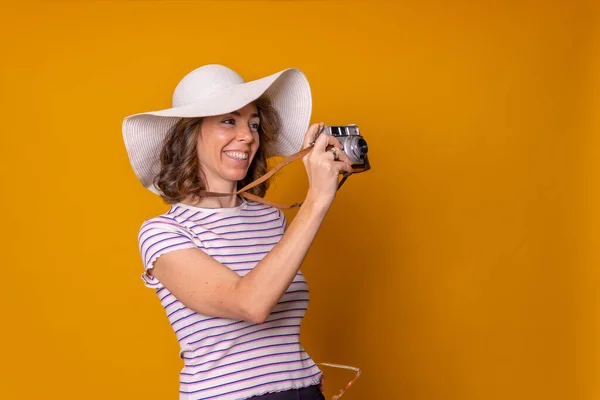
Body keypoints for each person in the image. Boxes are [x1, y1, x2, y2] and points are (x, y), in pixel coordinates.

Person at [122, 64, 353, 400]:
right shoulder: (163, 232)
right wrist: (316, 200)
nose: (247, 136)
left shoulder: (270, 219)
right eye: (228, 120)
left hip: (303, 391)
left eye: (254, 124)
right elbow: (251, 304)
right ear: (189, 134)